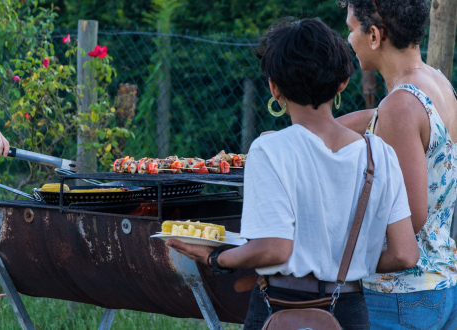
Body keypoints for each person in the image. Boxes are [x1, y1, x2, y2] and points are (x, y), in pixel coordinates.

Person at [167, 18, 419, 330]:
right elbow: (405, 254)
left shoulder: (270, 149)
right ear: (342, 83)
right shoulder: (379, 154)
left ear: (274, 87)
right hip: (350, 311)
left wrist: (214, 258)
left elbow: (274, 248)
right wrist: (346, 262)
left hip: (280, 307)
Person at [336, 1, 457, 328]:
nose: (349, 39)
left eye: (350, 29)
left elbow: (410, 218)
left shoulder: (400, 107)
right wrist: (317, 132)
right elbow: (380, 120)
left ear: (374, 35)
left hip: (400, 296)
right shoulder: (435, 82)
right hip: (440, 282)